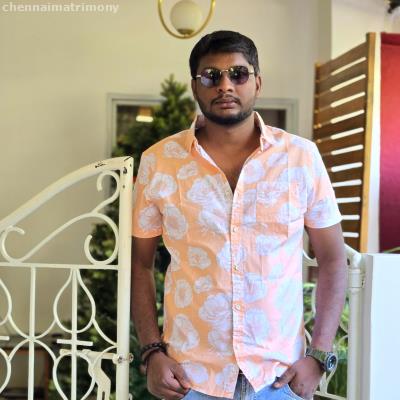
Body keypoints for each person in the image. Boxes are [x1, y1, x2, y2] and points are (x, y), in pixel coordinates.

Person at [131, 30, 347, 400]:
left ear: (257, 82)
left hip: (279, 378)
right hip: (190, 379)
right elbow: (140, 265)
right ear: (195, 86)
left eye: (238, 74)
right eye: (211, 76)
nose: (225, 85)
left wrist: (318, 356)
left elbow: (332, 260)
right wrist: (152, 352)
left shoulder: (300, 158)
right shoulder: (159, 162)